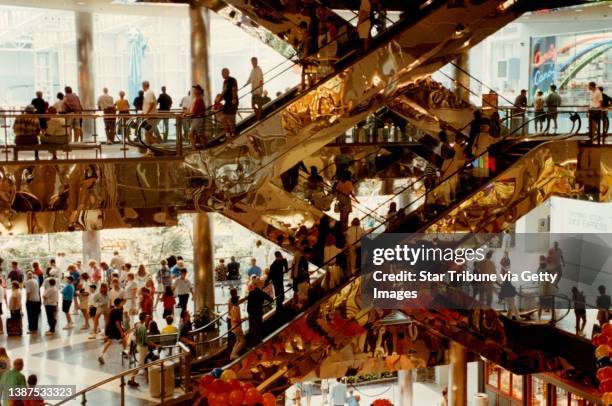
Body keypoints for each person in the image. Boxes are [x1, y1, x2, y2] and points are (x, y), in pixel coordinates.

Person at [128, 313, 159, 387]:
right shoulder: (143, 328)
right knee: (140, 365)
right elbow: (146, 341)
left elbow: (135, 336)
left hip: (139, 346)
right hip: (142, 348)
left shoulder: (138, 325)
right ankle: (131, 379)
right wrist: (155, 345)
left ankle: (134, 378)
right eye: (146, 317)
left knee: (144, 362)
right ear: (144, 318)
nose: (148, 318)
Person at [98, 298, 127, 365]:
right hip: (116, 329)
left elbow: (109, 320)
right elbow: (117, 322)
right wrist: (121, 331)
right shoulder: (119, 311)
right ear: (120, 303)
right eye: (122, 303)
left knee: (109, 342)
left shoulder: (112, 310)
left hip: (110, 328)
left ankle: (101, 355)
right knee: (124, 338)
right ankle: (125, 353)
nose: (122, 304)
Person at [246, 278, 272, 345]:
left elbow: (248, 306)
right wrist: (264, 305)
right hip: (259, 312)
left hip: (252, 314)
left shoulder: (251, 293)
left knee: (252, 328)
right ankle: (258, 341)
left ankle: (252, 342)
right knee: (258, 327)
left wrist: (249, 313)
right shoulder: (262, 293)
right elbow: (271, 300)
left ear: (255, 285)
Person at [219, 68, 238, 137]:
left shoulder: (232, 80)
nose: (222, 74)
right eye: (222, 73)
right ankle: (228, 132)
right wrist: (219, 100)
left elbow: (234, 89)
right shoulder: (224, 82)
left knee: (231, 118)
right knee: (223, 118)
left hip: (232, 101)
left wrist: (234, 98)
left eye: (223, 73)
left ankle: (233, 132)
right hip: (227, 102)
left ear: (227, 73)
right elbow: (224, 92)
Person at [187, 84, 207, 149]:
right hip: (197, 118)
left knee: (192, 134)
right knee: (198, 134)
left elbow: (194, 112)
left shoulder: (198, 99)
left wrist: (186, 113)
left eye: (195, 90)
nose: (194, 91)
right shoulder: (197, 99)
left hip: (197, 119)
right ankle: (200, 147)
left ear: (198, 91)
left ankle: (195, 147)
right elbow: (192, 110)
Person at [228, 295, 245, 360]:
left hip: (234, 327)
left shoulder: (233, 308)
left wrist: (241, 319)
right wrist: (241, 320)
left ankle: (232, 354)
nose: (239, 301)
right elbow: (235, 319)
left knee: (237, 341)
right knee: (242, 341)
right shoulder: (236, 308)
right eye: (238, 300)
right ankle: (234, 354)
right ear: (236, 301)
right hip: (237, 327)